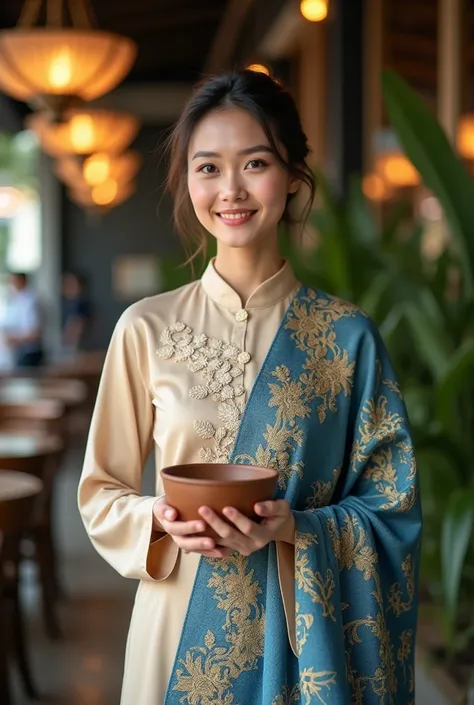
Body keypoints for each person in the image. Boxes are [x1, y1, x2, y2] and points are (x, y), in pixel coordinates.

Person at [78, 70, 421, 705]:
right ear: (188, 180)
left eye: (254, 162)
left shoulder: (348, 338)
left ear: (293, 174)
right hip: (176, 626)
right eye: (208, 167)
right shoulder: (145, 329)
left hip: (302, 643)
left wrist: (295, 528)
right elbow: (101, 492)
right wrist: (158, 521)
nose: (230, 190)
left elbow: (391, 506)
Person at [0, 272, 44, 367]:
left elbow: (34, 333)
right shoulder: (15, 299)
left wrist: (14, 338)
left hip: (28, 352)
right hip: (16, 352)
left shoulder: (31, 300)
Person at [60, 271, 91, 353]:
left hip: (79, 348)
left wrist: (68, 341)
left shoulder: (81, 304)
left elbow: (77, 326)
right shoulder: (65, 304)